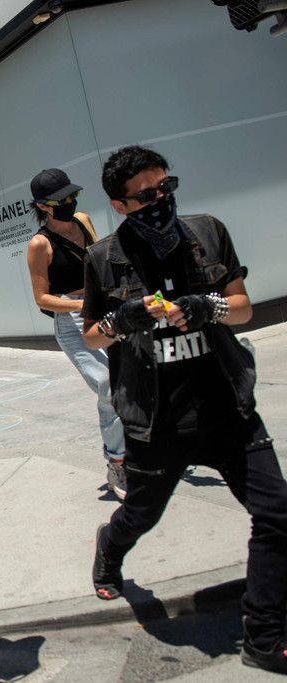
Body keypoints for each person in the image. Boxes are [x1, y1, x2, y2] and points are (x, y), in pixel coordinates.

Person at [83, 146, 287, 675]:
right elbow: (91, 335)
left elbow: (242, 308)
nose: (160, 201)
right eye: (144, 196)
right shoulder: (104, 258)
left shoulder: (207, 233)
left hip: (226, 406)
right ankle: (111, 545)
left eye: (165, 187)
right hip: (158, 422)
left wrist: (207, 307)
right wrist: (124, 319)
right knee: (141, 514)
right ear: (119, 205)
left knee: (278, 514)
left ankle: (264, 634)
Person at [26, 168, 127, 499]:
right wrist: (82, 303)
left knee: (133, 372)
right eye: (61, 200)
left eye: (72, 195)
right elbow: (42, 298)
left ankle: (142, 443)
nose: (70, 202)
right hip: (70, 319)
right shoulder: (39, 244)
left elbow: (99, 261)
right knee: (108, 383)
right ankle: (117, 461)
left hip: (104, 307)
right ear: (43, 206)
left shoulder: (83, 221)